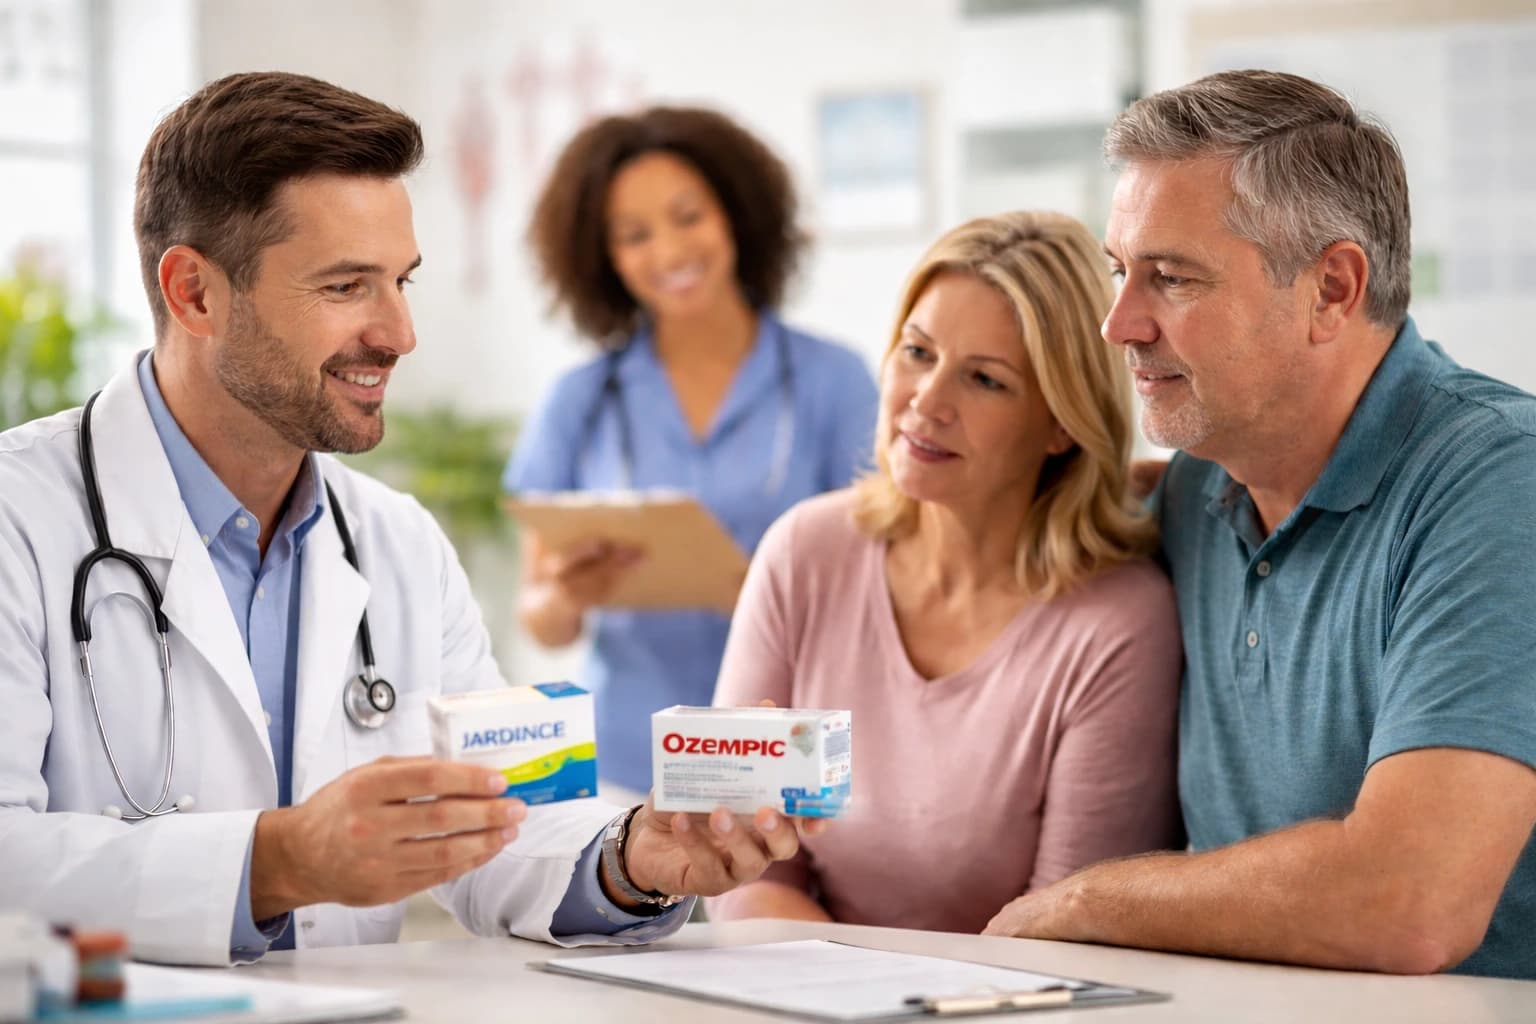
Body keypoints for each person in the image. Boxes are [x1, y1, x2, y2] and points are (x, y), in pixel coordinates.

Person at [0, 71, 817, 968]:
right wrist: (278, 860)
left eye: (402, 280)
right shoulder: (21, 519)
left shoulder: (398, 545)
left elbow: (504, 821)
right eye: (347, 286)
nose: (399, 333)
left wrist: (629, 860)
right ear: (195, 293)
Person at [983, 70, 1536, 981]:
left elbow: (1409, 901)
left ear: (1331, 288)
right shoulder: (1197, 489)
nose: (1118, 325)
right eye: (1120, 272)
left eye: (1170, 278)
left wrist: (1085, 902)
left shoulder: (1496, 481)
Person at [707, 211, 1183, 933]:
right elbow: (740, 865)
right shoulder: (805, 554)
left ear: (1061, 423)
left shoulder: (1117, 625)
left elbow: (1063, 933)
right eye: (917, 352)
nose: (926, 402)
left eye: (985, 380)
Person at [506, 106, 879, 798]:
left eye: (688, 216)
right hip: (626, 766)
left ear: (735, 214)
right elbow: (542, 621)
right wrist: (565, 593)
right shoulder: (580, 400)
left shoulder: (836, 382)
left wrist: (761, 594)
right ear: (604, 258)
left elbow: (889, 581)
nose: (670, 252)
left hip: (786, 754)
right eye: (634, 235)